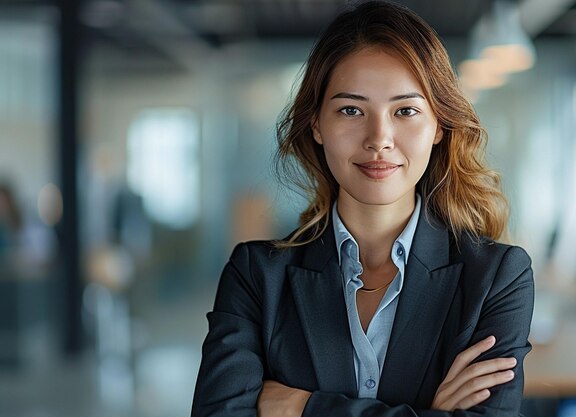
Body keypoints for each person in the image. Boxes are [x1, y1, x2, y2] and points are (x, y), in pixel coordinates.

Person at [191, 1, 534, 416]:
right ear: (316, 123)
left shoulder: (497, 277)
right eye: (351, 110)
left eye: (405, 110)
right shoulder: (255, 276)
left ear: (440, 125)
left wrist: (302, 406)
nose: (379, 138)